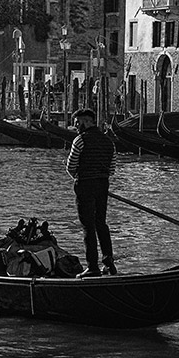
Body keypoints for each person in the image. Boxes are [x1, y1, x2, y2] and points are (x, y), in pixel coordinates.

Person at [65, 107, 117, 277]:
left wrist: (80, 177)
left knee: (88, 226)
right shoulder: (109, 142)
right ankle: (109, 263)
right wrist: (100, 177)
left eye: (78, 123)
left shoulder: (80, 140)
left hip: (85, 185)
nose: (76, 127)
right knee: (101, 223)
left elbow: (70, 166)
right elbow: (112, 169)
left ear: (87, 122)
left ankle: (93, 267)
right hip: (103, 184)